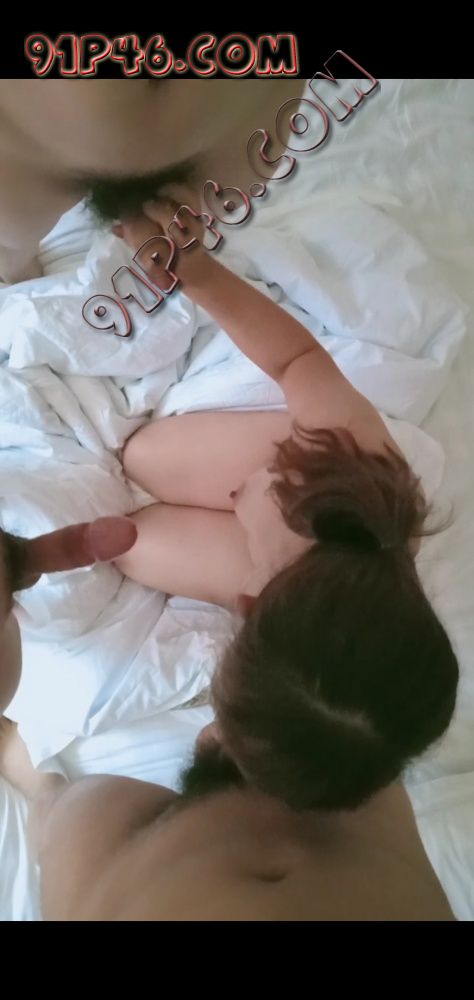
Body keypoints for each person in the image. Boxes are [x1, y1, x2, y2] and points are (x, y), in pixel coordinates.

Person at [107, 203, 459, 814]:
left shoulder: (281, 610)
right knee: (141, 458)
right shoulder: (350, 461)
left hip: (289, 554)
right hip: (305, 478)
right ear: (250, 608)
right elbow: (296, 361)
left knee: (129, 544)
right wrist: (197, 272)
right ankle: (256, 497)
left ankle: (255, 524)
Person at [0, 533, 455, 920]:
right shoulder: (374, 738)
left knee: (59, 805)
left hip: (137, 875)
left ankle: (33, 778)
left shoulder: (94, 829)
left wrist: (45, 792)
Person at [0, 78, 306, 284]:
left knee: (13, 240)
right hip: (227, 140)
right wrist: (203, 281)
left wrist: (203, 281)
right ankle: (17, 267)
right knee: (13, 244)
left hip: (225, 138)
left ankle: (16, 265)